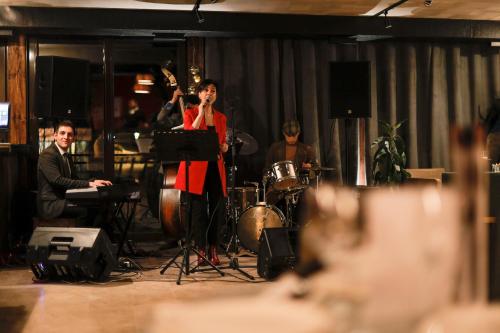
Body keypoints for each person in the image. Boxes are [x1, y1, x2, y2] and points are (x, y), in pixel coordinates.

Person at [174, 79, 228, 266]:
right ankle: (201, 250)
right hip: (196, 168)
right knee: (197, 212)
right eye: (205, 90)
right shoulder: (190, 113)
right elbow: (191, 132)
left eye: (213, 91)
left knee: (216, 210)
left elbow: (221, 141)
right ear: (199, 94)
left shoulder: (221, 117)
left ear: (216, 95)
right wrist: (200, 111)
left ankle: (214, 249)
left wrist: (225, 146)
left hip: (215, 166)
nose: (209, 93)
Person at [37, 120, 112, 225]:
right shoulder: (48, 155)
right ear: (55, 136)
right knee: (86, 211)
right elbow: (57, 180)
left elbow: (74, 180)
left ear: (73, 139)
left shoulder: (66, 156)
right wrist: (89, 184)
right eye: (62, 133)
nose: (66, 137)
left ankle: (95, 238)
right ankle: (82, 240)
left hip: (65, 199)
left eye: (70, 134)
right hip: (52, 204)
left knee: (99, 206)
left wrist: (94, 182)